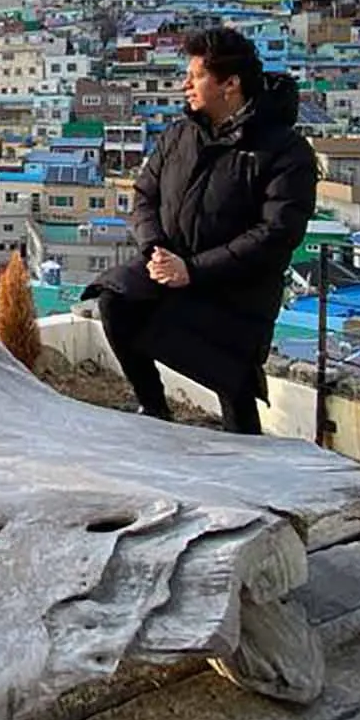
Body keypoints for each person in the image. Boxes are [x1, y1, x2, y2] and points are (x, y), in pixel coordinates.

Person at [82, 27, 316, 435]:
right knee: (116, 299)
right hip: (170, 267)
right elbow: (145, 194)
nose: (185, 85)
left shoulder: (284, 151)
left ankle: (247, 450)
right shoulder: (180, 135)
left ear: (230, 84)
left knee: (232, 379)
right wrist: (155, 249)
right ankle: (154, 408)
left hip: (235, 288)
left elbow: (276, 233)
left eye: (197, 76)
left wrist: (194, 270)